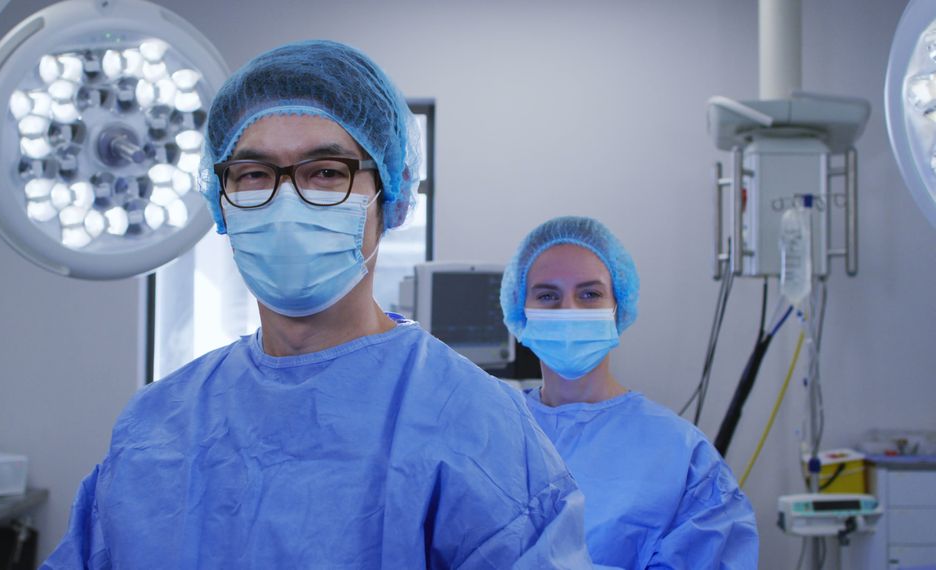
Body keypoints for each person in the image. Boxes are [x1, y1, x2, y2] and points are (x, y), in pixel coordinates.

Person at [43, 41, 594, 569]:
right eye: (253, 174)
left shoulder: (477, 425)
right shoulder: (155, 425)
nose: (286, 200)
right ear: (221, 203)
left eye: (326, 172)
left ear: (390, 196)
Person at [499, 216, 759, 569]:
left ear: (618, 306)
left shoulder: (681, 456)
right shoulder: (492, 433)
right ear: (521, 311)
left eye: (589, 294)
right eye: (548, 296)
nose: (570, 311)